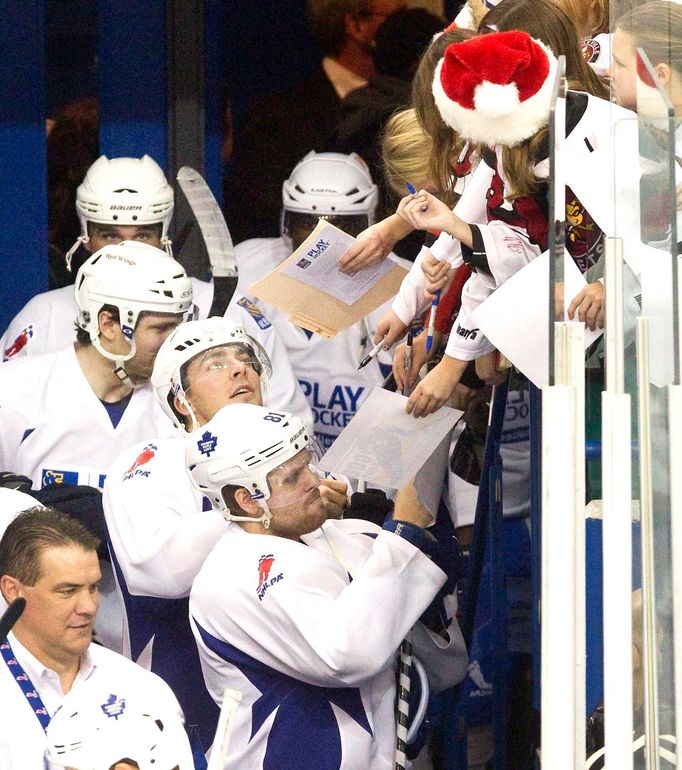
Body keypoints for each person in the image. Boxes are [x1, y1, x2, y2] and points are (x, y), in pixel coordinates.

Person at [102, 317, 344, 752]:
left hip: (295, 706)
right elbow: (155, 572)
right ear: (180, 401)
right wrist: (267, 503)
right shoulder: (150, 461)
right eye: (215, 364)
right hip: (178, 715)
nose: (240, 370)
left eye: (247, 359)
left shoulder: (294, 459)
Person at [187, 403, 468, 769]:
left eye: (308, 465)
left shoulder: (337, 534)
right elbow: (347, 654)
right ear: (247, 499)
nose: (314, 482)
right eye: (292, 477)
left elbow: (447, 665)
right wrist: (403, 538)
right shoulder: (233, 576)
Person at [232, 151, 410, 449]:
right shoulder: (248, 264)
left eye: (343, 225)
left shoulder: (403, 283)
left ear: (370, 222)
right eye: (308, 223)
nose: (323, 239)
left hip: (364, 461)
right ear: (286, 221)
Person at [0, 507, 193, 769]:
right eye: (68, 591)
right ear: (13, 590)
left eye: (93, 588)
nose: (88, 606)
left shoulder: (142, 688)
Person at [0, 241, 192, 489]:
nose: (176, 341)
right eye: (161, 328)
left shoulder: (181, 406)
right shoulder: (12, 393)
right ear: (109, 325)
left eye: (179, 326)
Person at [223, 0, 406, 244]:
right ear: (356, 25)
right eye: (397, 18)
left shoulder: (409, 109)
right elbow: (256, 212)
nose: (408, 27)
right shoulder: (276, 115)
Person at [1, 154, 213, 361]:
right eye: (111, 236)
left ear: (162, 238)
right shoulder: (45, 316)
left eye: (142, 235)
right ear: (86, 239)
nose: (127, 250)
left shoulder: (208, 303)